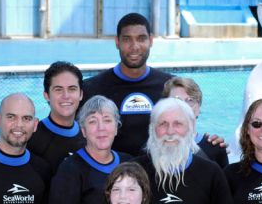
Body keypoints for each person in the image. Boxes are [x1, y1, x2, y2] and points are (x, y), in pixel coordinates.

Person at [82, 12, 225, 156]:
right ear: (117, 42)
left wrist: (211, 144)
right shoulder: (92, 88)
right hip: (113, 174)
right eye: (127, 39)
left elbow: (188, 125)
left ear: (151, 40)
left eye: (141, 39)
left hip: (160, 173)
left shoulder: (170, 87)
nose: (134, 46)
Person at [48, 95, 132, 204]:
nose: (101, 128)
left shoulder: (130, 164)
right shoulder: (70, 169)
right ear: (84, 130)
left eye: (107, 120)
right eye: (93, 121)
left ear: (117, 127)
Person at [27, 61, 84, 174]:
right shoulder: (31, 138)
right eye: (58, 89)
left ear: (81, 94)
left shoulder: (89, 135)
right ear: (46, 95)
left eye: (72, 89)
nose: (66, 96)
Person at [161, 76, 229, 168]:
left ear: (199, 108)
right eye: (177, 101)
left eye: (190, 100)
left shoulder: (215, 148)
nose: (184, 106)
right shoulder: (153, 149)